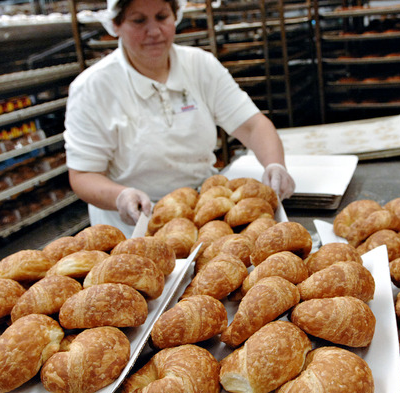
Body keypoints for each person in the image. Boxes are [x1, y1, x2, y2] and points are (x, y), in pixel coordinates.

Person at [63, 0, 295, 237]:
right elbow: (83, 174)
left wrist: (274, 164)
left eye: (162, 17)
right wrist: (120, 196)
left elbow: (252, 125)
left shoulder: (199, 65)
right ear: (116, 25)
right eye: (139, 20)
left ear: (176, 16)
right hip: (134, 230)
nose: (154, 31)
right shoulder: (92, 88)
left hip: (205, 218)